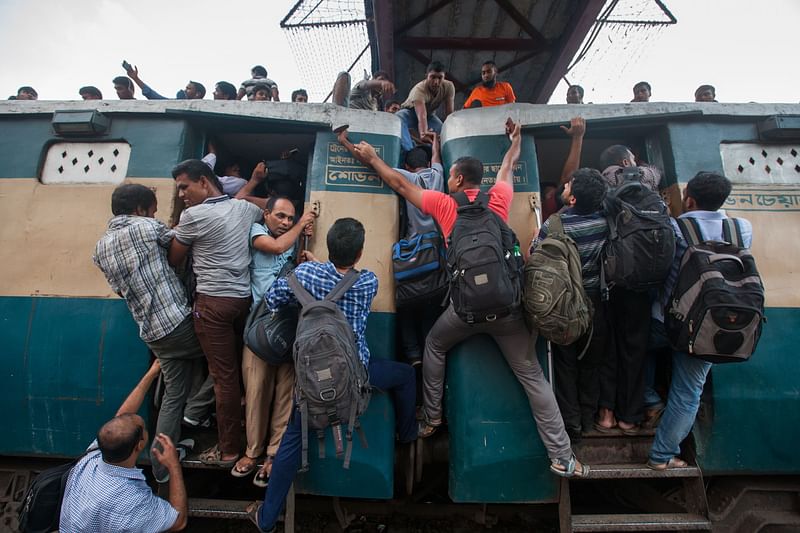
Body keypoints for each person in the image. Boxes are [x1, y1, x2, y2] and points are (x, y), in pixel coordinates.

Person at [349, 119, 588, 478]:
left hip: (464, 312)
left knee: (433, 345)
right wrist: (515, 140)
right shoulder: (500, 200)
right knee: (534, 379)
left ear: (459, 179)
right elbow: (509, 166)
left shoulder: (445, 206)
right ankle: (563, 457)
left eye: (451, 177)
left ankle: (430, 418)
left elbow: (399, 183)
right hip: (508, 310)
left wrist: (371, 158)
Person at [247, 218, 417, 532]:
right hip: (357, 376)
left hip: (311, 382)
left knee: (291, 443)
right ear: (361, 251)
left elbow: (273, 299)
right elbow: (344, 277)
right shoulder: (368, 282)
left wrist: (309, 271)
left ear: (327, 245)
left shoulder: (304, 274)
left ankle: (267, 518)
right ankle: (407, 436)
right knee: (406, 376)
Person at [93, 183, 205, 482]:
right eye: (154, 210)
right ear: (141, 209)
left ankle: (160, 466)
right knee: (230, 357)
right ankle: (196, 412)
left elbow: (119, 289)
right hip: (178, 324)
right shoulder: (147, 227)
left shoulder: (101, 247)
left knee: (173, 394)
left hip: (152, 333)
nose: (155, 214)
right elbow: (183, 242)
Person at [647, 171, 751, 469]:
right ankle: (662, 455)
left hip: (665, 320)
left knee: (634, 349)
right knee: (688, 392)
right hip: (711, 323)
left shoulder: (674, 228)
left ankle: (649, 400)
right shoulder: (741, 229)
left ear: (688, 199)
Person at [168, 159, 265, 469]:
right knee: (236, 369)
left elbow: (174, 258)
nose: (182, 194)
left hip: (212, 304)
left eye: (185, 186)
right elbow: (271, 206)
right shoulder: (244, 210)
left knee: (224, 379)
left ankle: (228, 450)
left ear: (205, 183)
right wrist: (249, 196)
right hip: (243, 301)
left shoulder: (193, 216)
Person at [339, 129, 445, 366]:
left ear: (407, 166)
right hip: (435, 257)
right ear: (426, 163)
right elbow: (437, 160)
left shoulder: (407, 178)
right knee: (429, 305)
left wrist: (345, 142)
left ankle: (413, 355)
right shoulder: (438, 175)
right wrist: (436, 143)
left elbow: (369, 162)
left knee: (406, 303)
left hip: (413, 256)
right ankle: (429, 354)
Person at [232, 196, 316, 486]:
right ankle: (252, 451)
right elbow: (278, 247)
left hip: (289, 327)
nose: (285, 223)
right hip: (260, 329)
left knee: (285, 394)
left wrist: (304, 244)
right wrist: (303, 223)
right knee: (256, 392)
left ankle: (272, 454)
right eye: (280, 216)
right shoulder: (257, 232)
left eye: (290, 218)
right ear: (266, 215)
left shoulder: (294, 239)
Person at [59, 360, 188, 532]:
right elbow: (179, 522)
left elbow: (122, 418)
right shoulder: (131, 501)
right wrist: (173, 465)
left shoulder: (91, 458)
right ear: (140, 445)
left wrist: (152, 373)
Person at [530, 169, 610, 440]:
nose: (564, 185)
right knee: (592, 363)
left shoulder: (554, 225)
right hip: (597, 303)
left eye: (568, 185)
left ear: (572, 199)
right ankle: (588, 418)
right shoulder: (606, 222)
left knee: (565, 364)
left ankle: (571, 423)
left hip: (566, 305)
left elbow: (535, 256)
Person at [594, 144, 663, 434]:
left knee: (608, 349)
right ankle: (629, 417)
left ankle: (606, 414)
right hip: (642, 282)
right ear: (625, 161)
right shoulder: (644, 178)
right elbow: (658, 172)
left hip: (609, 279)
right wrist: (639, 163)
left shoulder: (600, 183)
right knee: (635, 350)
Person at [396, 61, 455, 151]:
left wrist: (451, 131)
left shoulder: (449, 87)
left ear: (444, 77)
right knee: (398, 117)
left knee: (444, 131)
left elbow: (449, 114)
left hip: (429, 115)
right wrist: (424, 133)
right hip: (410, 113)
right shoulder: (419, 90)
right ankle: (409, 151)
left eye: (440, 78)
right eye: (433, 77)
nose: (436, 82)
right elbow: (421, 116)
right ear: (426, 76)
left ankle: (443, 156)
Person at [124, 64, 205, 100]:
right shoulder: (173, 104)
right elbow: (152, 95)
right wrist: (136, 78)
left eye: (188, 89)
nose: (184, 90)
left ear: (197, 94)